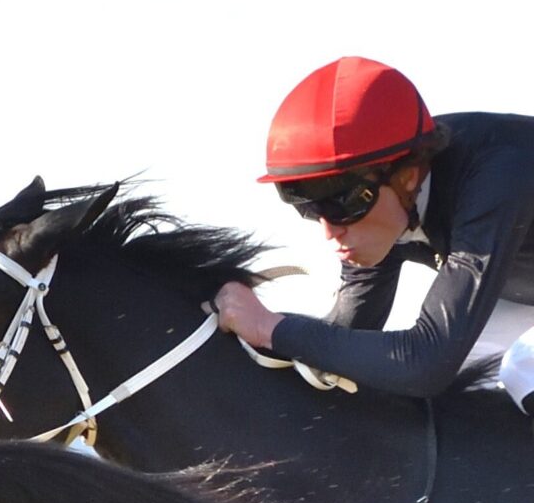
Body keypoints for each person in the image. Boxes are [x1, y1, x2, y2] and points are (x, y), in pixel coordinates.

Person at [214, 56, 534, 404]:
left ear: (407, 177)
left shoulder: (496, 176)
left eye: (342, 203)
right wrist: (251, 329)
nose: (329, 231)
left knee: (521, 369)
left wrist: (269, 327)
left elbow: (424, 364)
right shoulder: (391, 197)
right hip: (520, 297)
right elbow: (347, 334)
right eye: (309, 207)